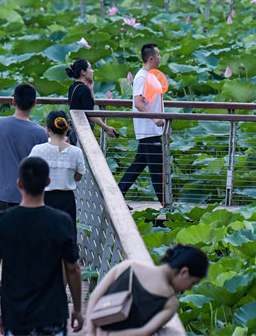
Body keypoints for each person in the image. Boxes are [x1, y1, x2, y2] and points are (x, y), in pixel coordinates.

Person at [0, 157, 83, 336]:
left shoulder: (1, 221)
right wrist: (77, 309)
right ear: (48, 183)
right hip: (52, 315)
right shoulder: (61, 221)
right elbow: (73, 269)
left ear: (19, 184)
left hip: (15, 315)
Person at [82, 244, 208, 336]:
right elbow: (145, 332)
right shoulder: (170, 302)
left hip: (95, 330)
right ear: (184, 272)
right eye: (192, 283)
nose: (188, 288)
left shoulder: (129, 265)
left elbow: (95, 296)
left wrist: (91, 329)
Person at [0, 83, 49, 214]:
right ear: (34, 103)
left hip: (3, 194)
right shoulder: (41, 133)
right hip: (29, 195)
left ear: (13, 101)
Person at [118, 44, 166, 205]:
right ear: (151, 58)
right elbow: (138, 102)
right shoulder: (141, 77)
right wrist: (154, 119)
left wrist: (165, 122)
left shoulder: (151, 76)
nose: (160, 57)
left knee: (137, 167)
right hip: (149, 130)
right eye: (158, 55)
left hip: (153, 129)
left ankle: (117, 196)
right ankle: (167, 206)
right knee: (158, 172)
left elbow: (156, 102)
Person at [28, 110, 86, 220]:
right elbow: (78, 177)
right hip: (67, 200)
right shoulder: (76, 152)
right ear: (67, 129)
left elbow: (28, 173)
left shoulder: (38, 150)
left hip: (43, 199)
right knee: (66, 229)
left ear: (47, 129)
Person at [67, 58, 118, 138]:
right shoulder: (83, 89)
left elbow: (90, 105)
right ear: (83, 72)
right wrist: (106, 128)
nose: (92, 71)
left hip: (75, 126)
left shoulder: (73, 87)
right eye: (90, 68)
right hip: (82, 129)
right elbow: (91, 114)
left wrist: (91, 90)